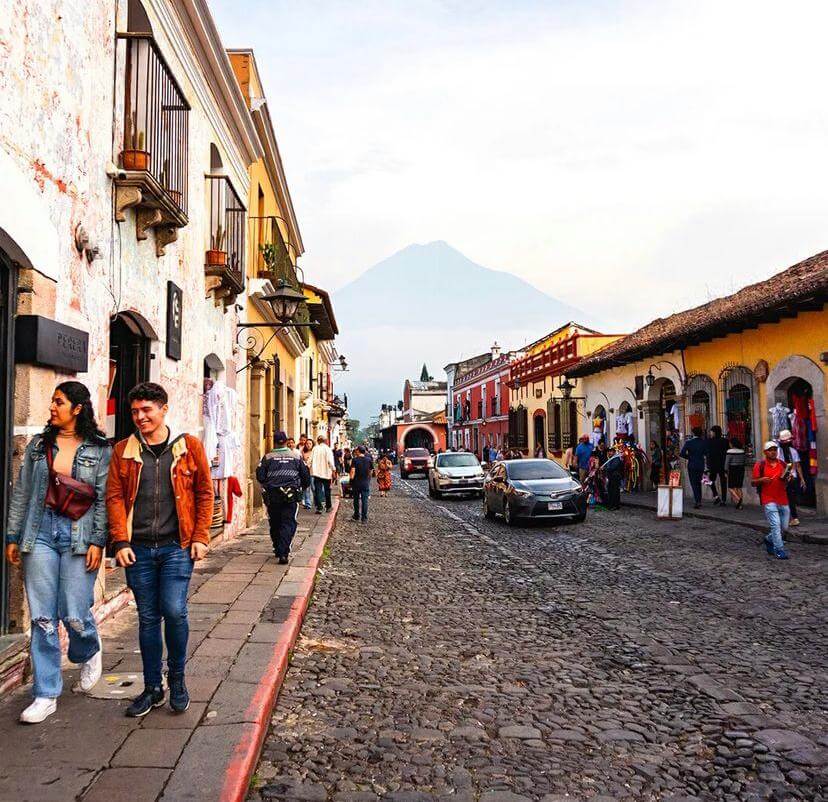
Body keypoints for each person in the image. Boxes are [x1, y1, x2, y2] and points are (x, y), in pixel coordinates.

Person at [5, 382, 110, 724]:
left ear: (77, 408)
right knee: (42, 617)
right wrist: (13, 534)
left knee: (75, 611)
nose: (52, 407)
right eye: (51, 400)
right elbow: (22, 493)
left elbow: (102, 499)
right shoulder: (39, 446)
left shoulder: (98, 449)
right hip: (41, 533)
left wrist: (98, 541)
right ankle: (46, 693)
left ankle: (89, 649)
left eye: (59, 402)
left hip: (79, 534)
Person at [106, 382, 213, 718]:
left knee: (175, 610)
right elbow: (114, 498)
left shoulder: (189, 447)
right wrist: (120, 541)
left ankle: (177, 679)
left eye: (146, 410)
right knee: (149, 618)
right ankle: (153, 687)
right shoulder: (123, 450)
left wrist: (200, 536)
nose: (140, 417)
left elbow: (204, 493)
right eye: (135, 412)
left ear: (163, 409)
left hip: (176, 547)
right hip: (137, 549)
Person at [256, 431, 311, 564]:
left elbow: (260, 476)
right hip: (290, 496)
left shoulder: (267, 458)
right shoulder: (296, 457)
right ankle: (284, 552)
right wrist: (301, 488)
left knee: (275, 522)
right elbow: (306, 478)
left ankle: (277, 547)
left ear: (274, 441)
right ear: (286, 441)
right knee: (288, 522)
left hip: (273, 496)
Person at [752, 441, 792, 560]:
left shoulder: (783, 464)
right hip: (768, 499)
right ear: (765, 452)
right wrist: (762, 480)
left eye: (775, 449)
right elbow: (753, 482)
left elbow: (789, 477)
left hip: (783, 498)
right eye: (770, 450)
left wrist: (789, 478)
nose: (773, 451)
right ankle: (779, 550)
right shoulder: (760, 465)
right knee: (775, 525)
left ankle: (768, 539)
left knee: (784, 528)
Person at [776, 429, 806, 527]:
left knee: (783, 498)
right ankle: (793, 517)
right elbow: (798, 466)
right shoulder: (793, 451)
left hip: (783, 478)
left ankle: (789, 517)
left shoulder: (778, 452)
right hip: (792, 477)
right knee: (791, 498)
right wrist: (802, 479)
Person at [680, 427, 708, 508]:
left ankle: (697, 501)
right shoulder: (703, 442)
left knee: (694, 483)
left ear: (693, 433)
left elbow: (682, 453)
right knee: (699, 483)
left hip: (692, 465)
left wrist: (690, 457)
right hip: (700, 465)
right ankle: (699, 500)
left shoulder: (689, 442)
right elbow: (706, 453)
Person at [310, 435, 336, 513]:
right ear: (325, 441)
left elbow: (310, 460)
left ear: (318, 441)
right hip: (326, 473)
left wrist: (308, 467)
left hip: (316, 473)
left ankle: (319, 507)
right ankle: (328, 506)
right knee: (327, 490)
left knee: (317, 490)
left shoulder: (315, 449)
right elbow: (330, 461)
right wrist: (334, 470)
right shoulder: (328, 449)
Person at [706, 426, 729, 506]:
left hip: (715, 464)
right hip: (721, 464)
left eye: (711, 432)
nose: (710, 433)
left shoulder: (709, 441)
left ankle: (718, 497)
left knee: (709, 480)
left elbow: (708, 453)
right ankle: (721, 499)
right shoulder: (725, 441)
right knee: (722, 482)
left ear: (715, 432)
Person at [350, 446, 374, 521]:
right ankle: (364, 517)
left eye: (356, 450)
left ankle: (356, 515)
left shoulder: (355, 460)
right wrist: (368, 479)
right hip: (365, 482)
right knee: (365, 500)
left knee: (356, 499)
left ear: (359, 451)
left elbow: (353, 471)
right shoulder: (369, 460)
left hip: (356, 482)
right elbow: (371, 471)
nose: (355, 452)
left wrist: (350, 479)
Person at [724, 437, 746, 509]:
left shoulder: (730, 451)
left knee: (731, 487)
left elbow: (727, 462)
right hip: (741, 469)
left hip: (733, 469)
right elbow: (744, 461)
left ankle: (738, 500)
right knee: (739, 487)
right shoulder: (742, 451)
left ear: (732, 444)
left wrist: (725, 471)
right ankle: (739, 505)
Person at [301, 439, 314, 510]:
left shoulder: (314, 452)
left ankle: (317, 501)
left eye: (310, 444)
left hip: (313, 472)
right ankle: (308, 503)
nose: (308, 445)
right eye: (307, 444)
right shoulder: (303, 452)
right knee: (306, 488)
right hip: (305, 472)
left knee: (313, 487)